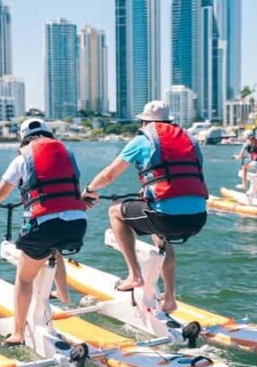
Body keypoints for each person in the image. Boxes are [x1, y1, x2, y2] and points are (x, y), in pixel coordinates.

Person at [82, 101, 208, 314]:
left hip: (166, 217)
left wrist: (88, 190)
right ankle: (170, 298)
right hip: (198, 217)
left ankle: (135, 276)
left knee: (115, 211)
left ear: (145, 122)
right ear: (169, 121)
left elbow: (109, 175)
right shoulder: (190, 141)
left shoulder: (143, 140)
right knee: (161, 237)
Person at [0, 119, 88, 346]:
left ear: (23, 138)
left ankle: (18, 333)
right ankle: (63, 294)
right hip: (77, 223)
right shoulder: (67, 154)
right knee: (54, 248)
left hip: (44, 226)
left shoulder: (22, 158)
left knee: (24, 278)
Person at [234, 131, 257, 205]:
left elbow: (240, 157)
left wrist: (236, 157)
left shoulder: (246, 144)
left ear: (246, 137)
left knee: (244, 168)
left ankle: (244, 185)